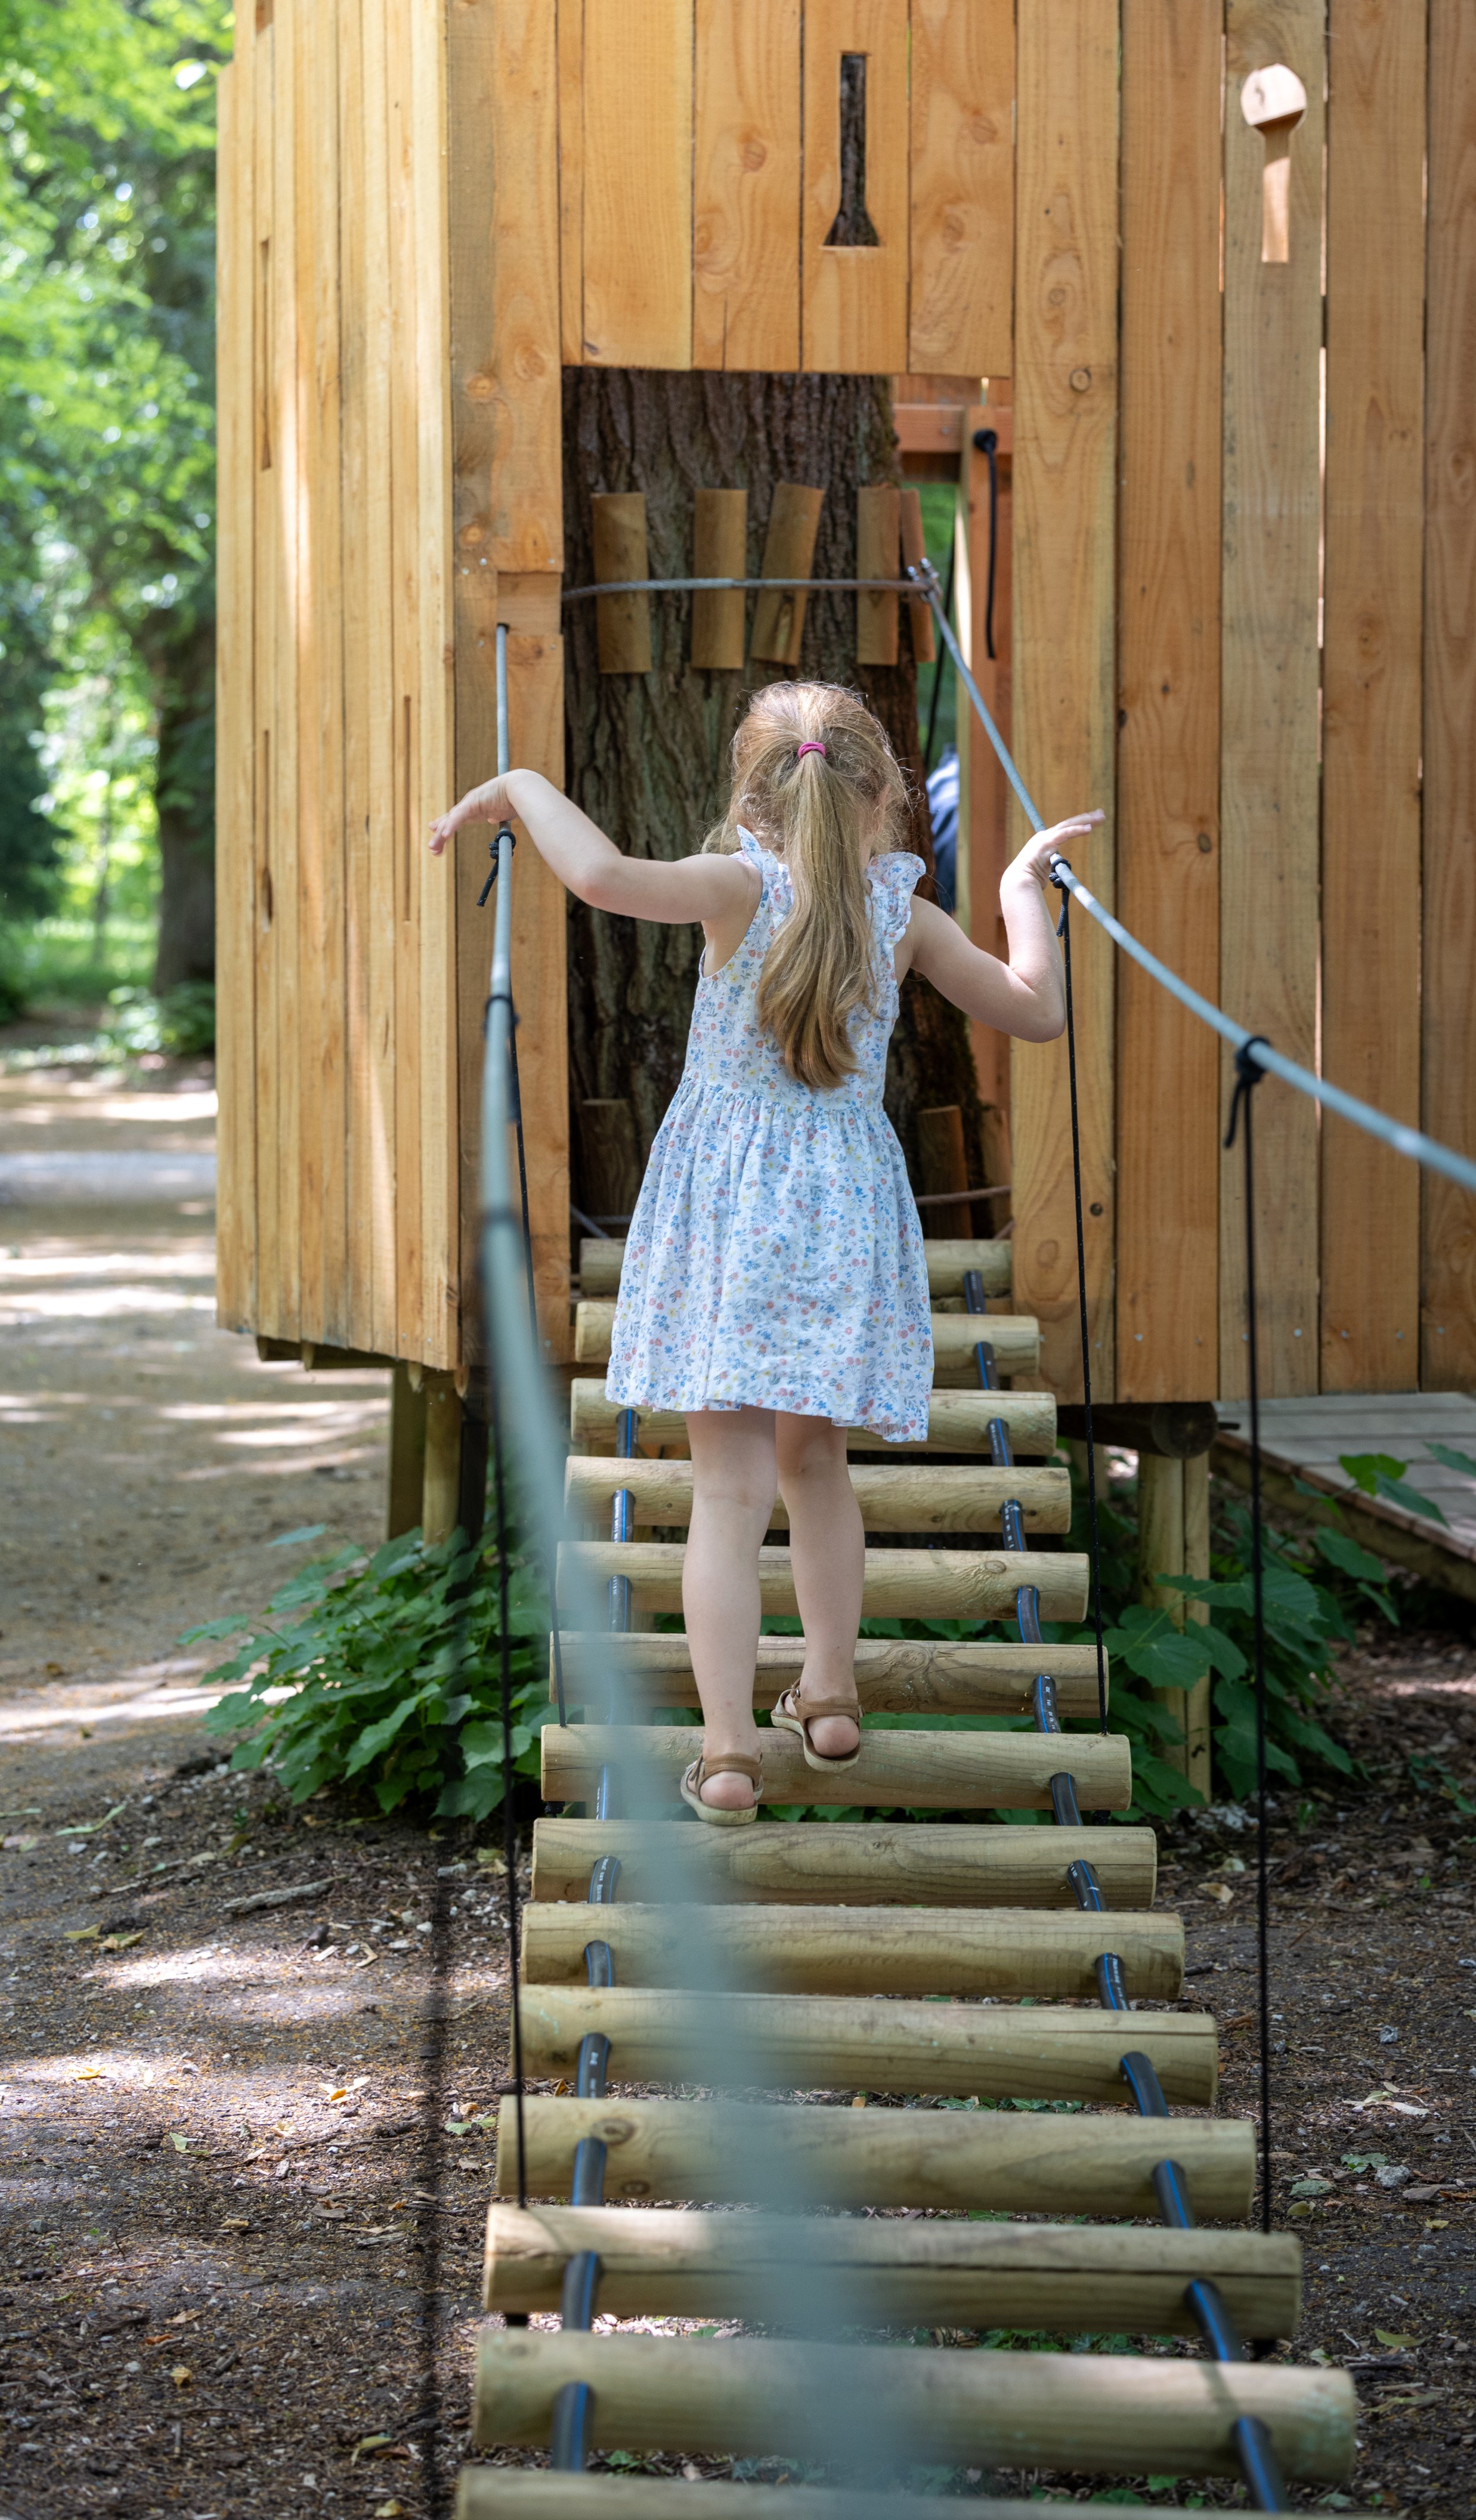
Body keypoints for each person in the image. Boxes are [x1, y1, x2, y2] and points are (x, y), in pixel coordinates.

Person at [428, 678, 1098, 1824]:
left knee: (727, 1493)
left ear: (752, 798)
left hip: (729, 1211)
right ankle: (830, 1696)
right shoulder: (907, 917)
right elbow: (1038, 1011)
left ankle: (730, 1750)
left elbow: (597, 877)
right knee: (817, 1467)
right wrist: (1018, 889)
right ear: (886, 798)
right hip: (841, 1208)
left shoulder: (736, 886)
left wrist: (516, 784)